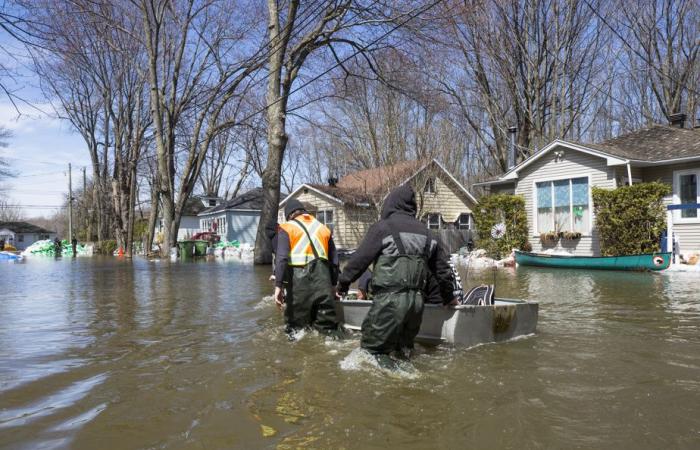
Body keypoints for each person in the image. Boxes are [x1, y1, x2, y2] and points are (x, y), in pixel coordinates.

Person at [336, 185, 458, 360]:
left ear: (390, 205)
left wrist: (342, 285)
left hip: (388, 303)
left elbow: (358, 262)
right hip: (416, 306)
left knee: (371, 353)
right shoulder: (429, 234)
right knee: (403, 352)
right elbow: (443, 272)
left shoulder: (382, 228)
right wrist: (449, 297)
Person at [274, 199, 341, 337]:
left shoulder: (287, 227)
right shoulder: (323, 228)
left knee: (295, 330)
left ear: (289, 215)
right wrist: (334, 286)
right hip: (323, 282)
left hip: (299, 285)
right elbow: (334, 261)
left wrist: (278, 286)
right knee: (327, 328)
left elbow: (281, 259)